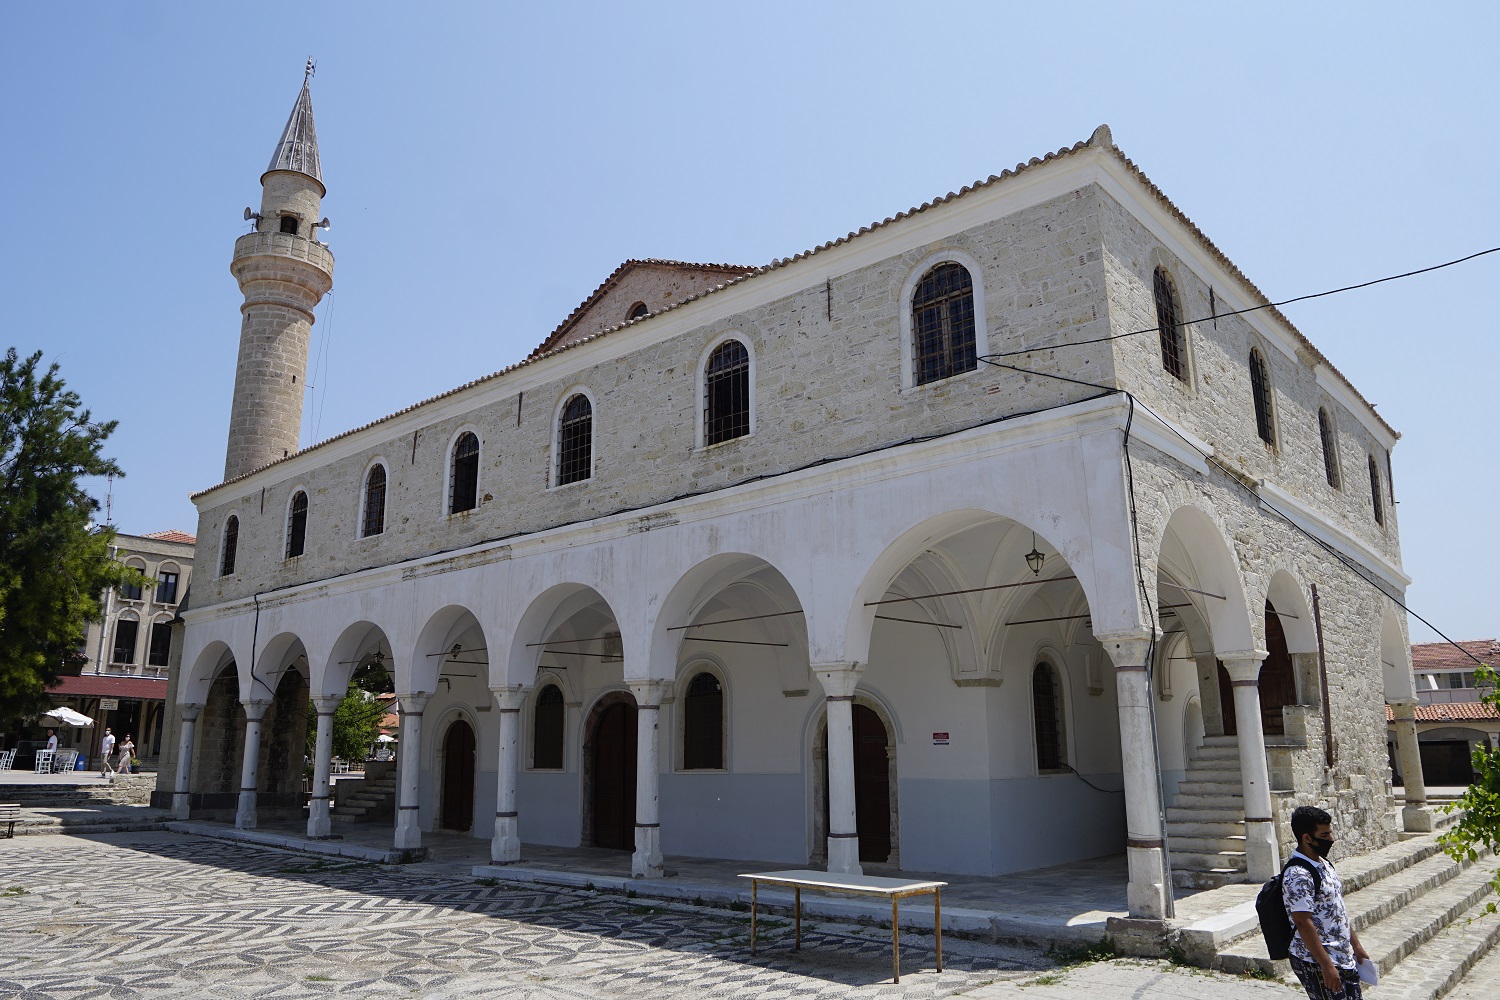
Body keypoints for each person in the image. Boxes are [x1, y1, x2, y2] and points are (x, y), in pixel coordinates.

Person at [1284, 805, 1369, 999]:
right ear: (1307, 838)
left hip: (1343, 956)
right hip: (1317, 962)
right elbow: (1302, 921)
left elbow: (1337, 910)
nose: (1331, 839)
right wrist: (1326, 965)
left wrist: (1355, 946)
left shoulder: (1324, 864)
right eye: (1324, 835)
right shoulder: (1298, 874)